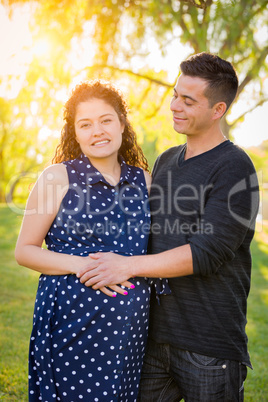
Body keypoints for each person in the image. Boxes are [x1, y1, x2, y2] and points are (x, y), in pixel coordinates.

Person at [76, 53, 260, 401]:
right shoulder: (165, 162)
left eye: (188, 101)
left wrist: (125, 266)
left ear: (218, 110)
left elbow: (207, 253)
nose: (175, 105)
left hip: (209, 344)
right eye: (175, 94)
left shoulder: (235, 167)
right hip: (155, 337)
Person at [15, 79, 152, 401]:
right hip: (72, 323)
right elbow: (25, 251)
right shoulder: (57, 177)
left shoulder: (144, 180)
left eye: (105, 120)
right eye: (85, 124)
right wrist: (87, 266)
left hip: (129, 332)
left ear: (121, 124)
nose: (97, 131)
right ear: (74, 133)